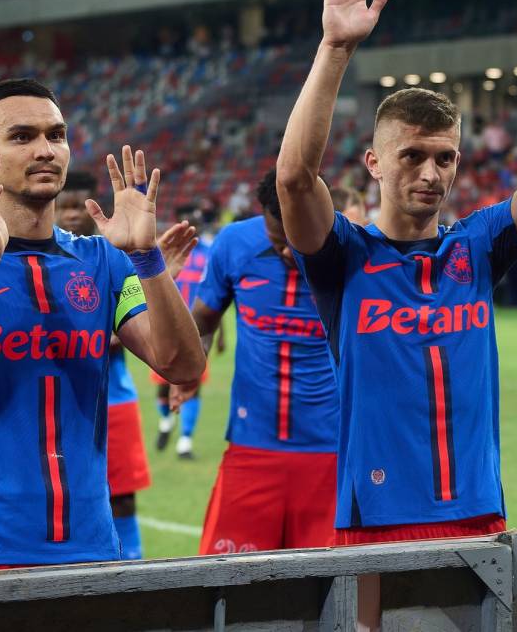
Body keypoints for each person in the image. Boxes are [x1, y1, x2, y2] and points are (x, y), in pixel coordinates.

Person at [276, 0, 517, 544]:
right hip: (374, 519)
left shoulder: (477, 248)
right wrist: (335, 48)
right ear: (374, 162)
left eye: (445, 157)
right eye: (412, 156)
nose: (431, 173)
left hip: (477, 513)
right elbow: (293, 178)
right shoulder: (342, 257)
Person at [0, 79, 205, 572]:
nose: (45, 150)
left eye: (55, 135)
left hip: (91, 545)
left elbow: (182, 364)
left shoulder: (102, 259)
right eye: (21, 137)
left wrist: (145, 258)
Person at [189, 170, 343, 553]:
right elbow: (204, 320)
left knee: (335, 591)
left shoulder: (353, 250)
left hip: (332, 450)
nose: (286, 254)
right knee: (227, 587)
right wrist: (189, 371)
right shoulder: (234, 243)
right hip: (252, 445)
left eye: (296, 242)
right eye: (277, 243)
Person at [55, 170, 198, 560]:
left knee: (121, 500)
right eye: (63, 206)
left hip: (115, 402)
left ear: (94, 207)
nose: (70, 215)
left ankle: (130, 571)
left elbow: (147, 334)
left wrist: (158, 280)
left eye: (77, 206)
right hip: (63, 406)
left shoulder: (115, 259)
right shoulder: (51, 263)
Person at [153, 204, 217, 460]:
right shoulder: (163, 252)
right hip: (165, 327)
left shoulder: (209, 254)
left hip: (197, 330)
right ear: (176, 222)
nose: (193, 225)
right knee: (162, 386)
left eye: (197, 221)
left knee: (194, 382)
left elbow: (214, 297)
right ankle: (166, 423)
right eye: (187, 220)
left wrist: (219, 334)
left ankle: (185, 442)